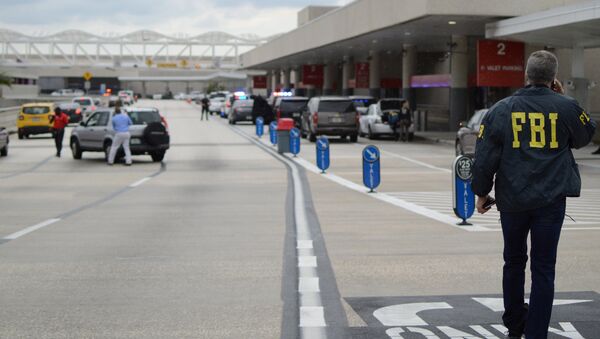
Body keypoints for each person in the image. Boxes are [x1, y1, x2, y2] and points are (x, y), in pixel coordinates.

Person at [472, 50, 596, 339]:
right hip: (551, 202)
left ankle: (515, 324)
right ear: (553, 79)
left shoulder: (501, 109)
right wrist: (561, 98)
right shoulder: (566, 106)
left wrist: (481, 192)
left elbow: (484, 156)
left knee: (513, 261)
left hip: (513, 201)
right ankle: (537, 332)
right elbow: (585, 135)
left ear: (526, 75)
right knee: (543, 267)